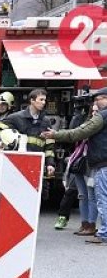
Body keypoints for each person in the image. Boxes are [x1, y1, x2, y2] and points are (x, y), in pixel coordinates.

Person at [0, 88, 56, 215]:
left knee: (35, 194)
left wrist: (50, 163)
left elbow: (49, 145)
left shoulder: (45, 121)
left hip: (35, 162)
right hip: (18, 161)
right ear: (32, 101)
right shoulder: (17, 118)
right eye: (41, 100)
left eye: (44, 100)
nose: (43, 103)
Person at [41, 86, 107, 245]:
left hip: (103, 163)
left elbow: (79, 132)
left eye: (99, 99)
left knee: (102, 199)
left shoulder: (102, 116)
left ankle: (104, 234)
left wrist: (55, 134)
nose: (96, 103)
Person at [54, 97, 95, 233]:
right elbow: (74, 133)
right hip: (79, 159)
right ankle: (66, 218)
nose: (94, 112)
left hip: (93, 162)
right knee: (74, 192)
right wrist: (77, 115)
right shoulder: (84, 120)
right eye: (92, 110)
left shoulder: (99, 123)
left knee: (92, 195)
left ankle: (91, 225)